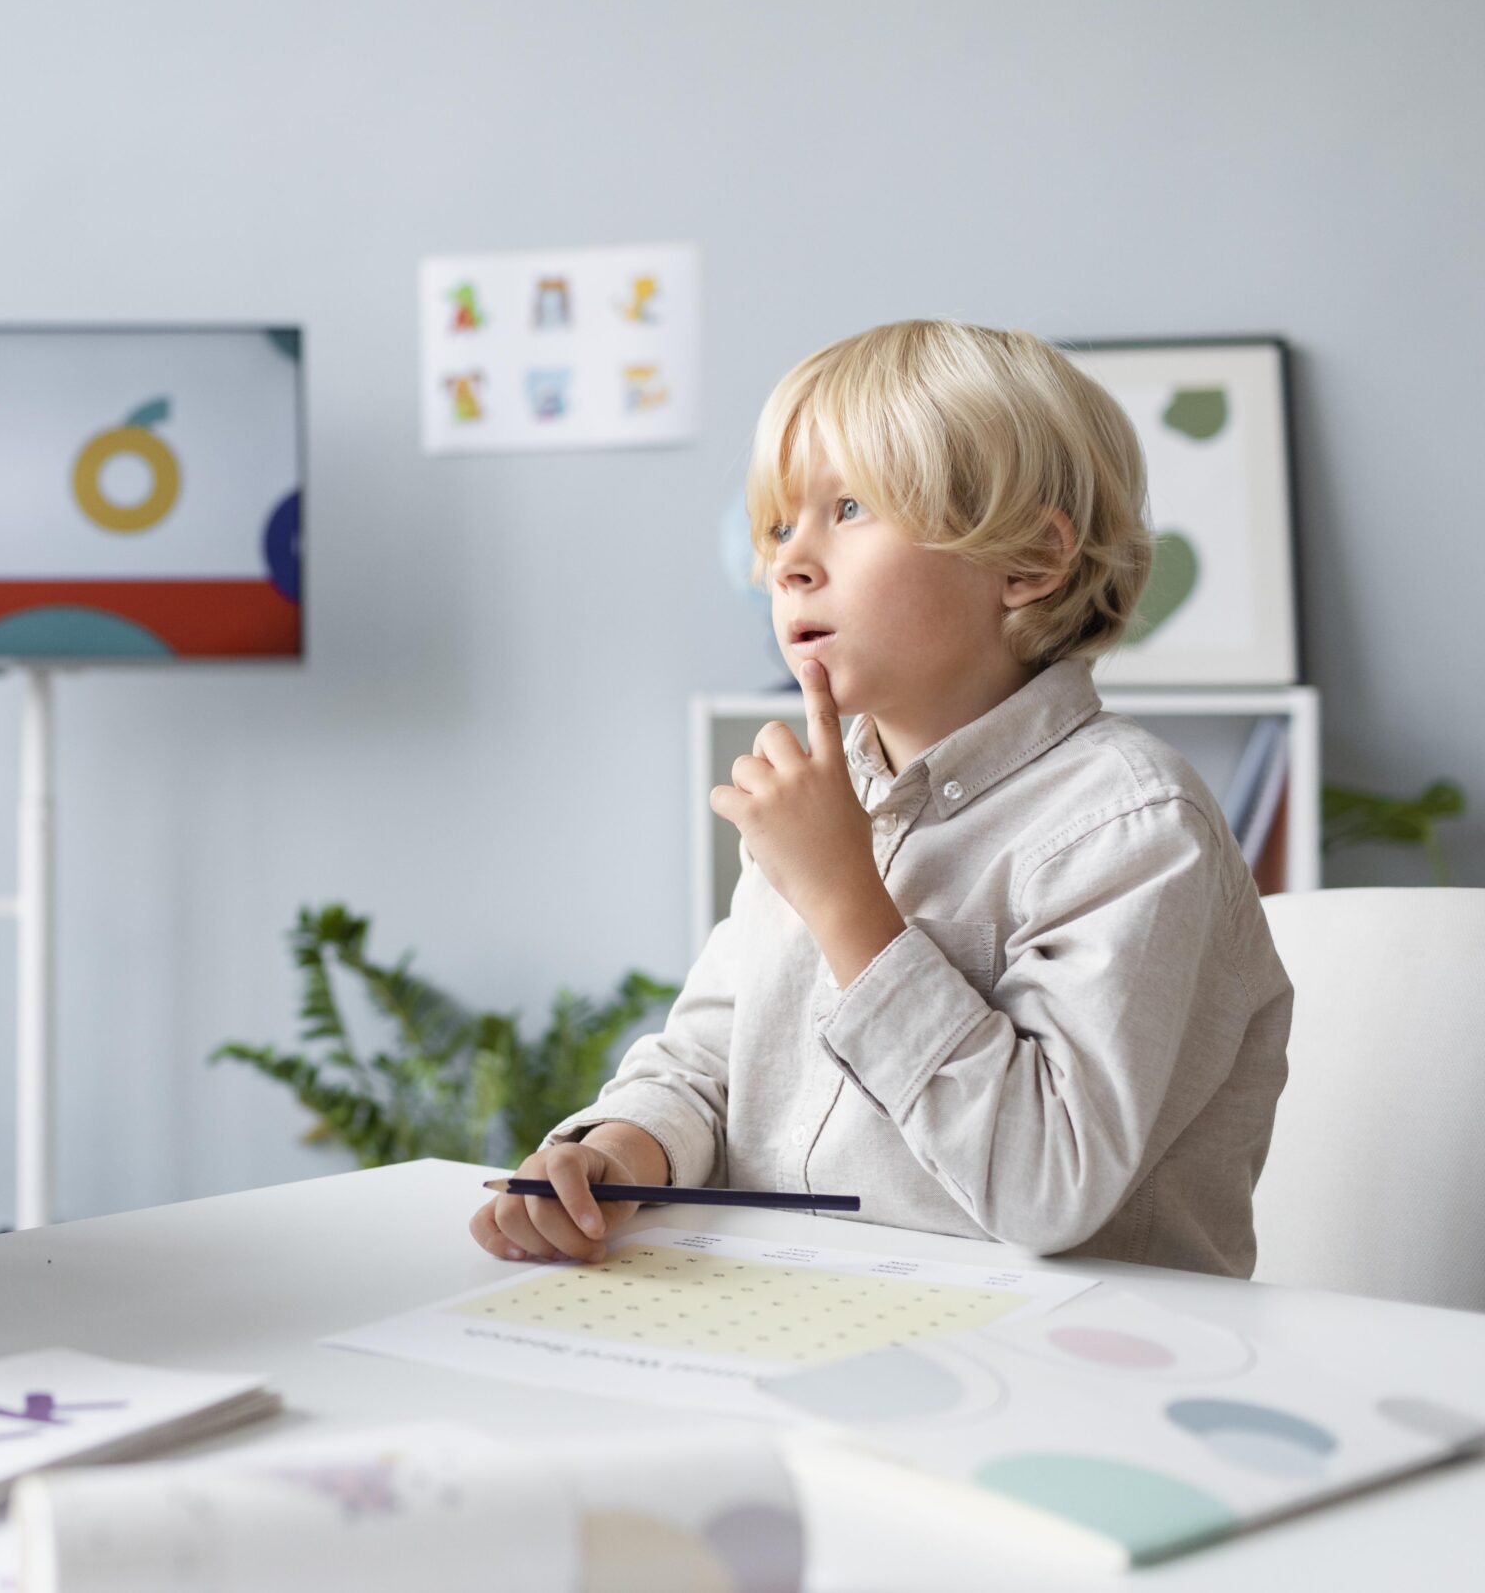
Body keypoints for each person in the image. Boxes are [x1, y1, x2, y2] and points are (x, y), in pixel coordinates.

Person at [473, 321, 1291, 1276]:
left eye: (849, 508)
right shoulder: (817, 799)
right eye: (780, 525)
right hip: (808, 1319)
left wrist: (848, 899)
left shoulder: (1134, 828)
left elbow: (1048, 1186)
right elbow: (710, 1060)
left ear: (1028, 560)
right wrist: (618, 1149)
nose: (788, 563)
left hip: (1070, 1362)